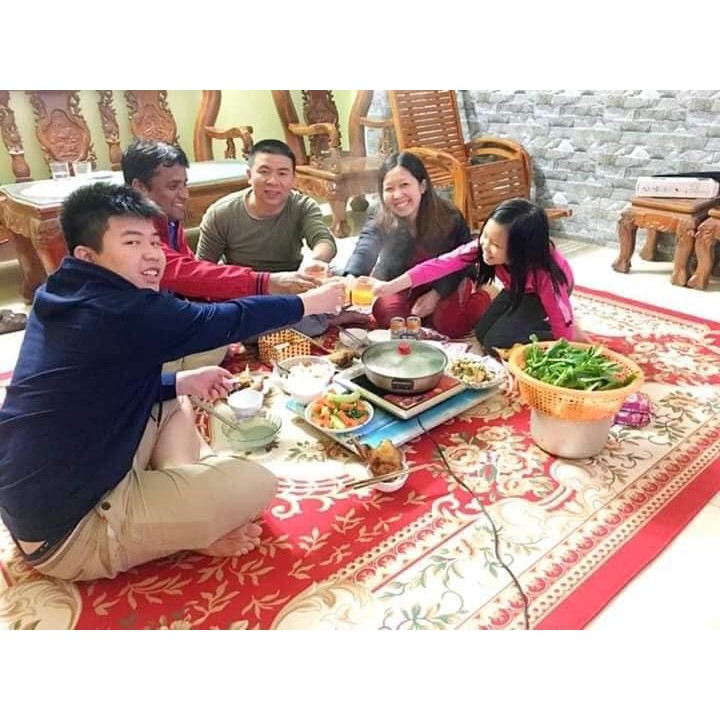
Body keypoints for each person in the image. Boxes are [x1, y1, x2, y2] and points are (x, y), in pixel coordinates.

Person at [0, 183, 345, 581]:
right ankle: (189, 525)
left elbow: (98, 388)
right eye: (132, 242)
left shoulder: (62, 289)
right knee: (257, 485)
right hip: (68, 533)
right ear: (87, 256)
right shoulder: (123, 309)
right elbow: (225, 320)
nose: (152, 254)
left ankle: (181, 508)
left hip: (47, 488)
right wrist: (310, 303)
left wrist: (179, 382)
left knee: (173, 394)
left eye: (153, 241)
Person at [122, 139, 322, 367]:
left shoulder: (167, 218)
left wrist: (241, 301)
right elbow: (187, 272)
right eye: (173, 186)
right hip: (144, 333)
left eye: (184, 185)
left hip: (182, 309)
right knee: (243, 323)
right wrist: (264, 283)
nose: (184, 195)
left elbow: (193, 279)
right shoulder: (128, 229)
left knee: (248, 315)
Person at [374, 198, 584, 350]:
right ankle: (530, 325)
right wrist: (390, 286)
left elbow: (559, 312)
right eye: (485, 236)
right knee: (483, 333)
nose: (485, 247)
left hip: (537, 295)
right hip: (515, 287)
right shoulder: (482, 247)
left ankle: (560, 331)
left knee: (496, 342)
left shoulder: (546, 273)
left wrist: (564, 341)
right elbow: (439, 265)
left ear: (521, 250)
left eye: (496, 245)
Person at [197, 139, 351, 335]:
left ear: (293, 179)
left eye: (282, 173)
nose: (273, 181)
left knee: (343, 282)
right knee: (237, 319)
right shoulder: (221, 213)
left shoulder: (302, 206)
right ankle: (326, 319)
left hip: (293, 285)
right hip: (249, 291)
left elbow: (323, 240)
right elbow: (203, 270)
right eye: (264, 172)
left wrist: (316, 261)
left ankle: (314, 317)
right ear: (249, 176)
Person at [344, 151, 491, 338]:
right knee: (388, 315)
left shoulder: (449, 215)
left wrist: (437, 294)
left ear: (422, 186)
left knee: (451, 324)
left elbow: (464, 262)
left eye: (404, 185)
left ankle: (488, 293)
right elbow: (366, 245)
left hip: (445, 280)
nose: (397, 195)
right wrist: (352, 275)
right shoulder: (379, 214)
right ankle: (425, 317)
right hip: (399, 280)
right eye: (389, 188)